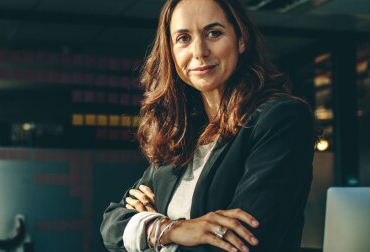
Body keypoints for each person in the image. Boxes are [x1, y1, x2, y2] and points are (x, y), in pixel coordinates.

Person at [100, 0, 317, 251]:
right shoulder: (181, 134)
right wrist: (170, 229)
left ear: (241, 40)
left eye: (214, 33)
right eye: (183, 38)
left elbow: (244, 243)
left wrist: (148, 231)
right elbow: (111, 224)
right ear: (171, 51)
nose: (199, 51)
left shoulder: (280, 118)